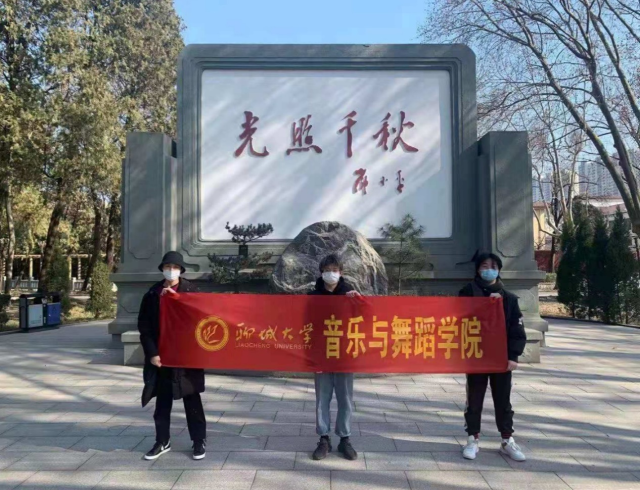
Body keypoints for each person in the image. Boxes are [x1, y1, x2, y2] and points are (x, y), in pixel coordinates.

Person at [138, 251, 207, 461]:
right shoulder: (152, 294)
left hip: (186, 357)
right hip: (162, 357)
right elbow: (145, 327)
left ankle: (198, 441)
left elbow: (201, 320)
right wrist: (152, 353)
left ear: (181, 270)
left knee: (192, 400)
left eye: (175, 267)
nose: (171, 270)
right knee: (162, 402)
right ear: (162, 269)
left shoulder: (191, 292)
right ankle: (162, 441)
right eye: (167, 266)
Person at [458, 251, 527, 462]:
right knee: (474, 399)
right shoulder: (467, 293)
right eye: (485, 266)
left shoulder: (509, 298)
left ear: (499, 270)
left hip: (501, 358)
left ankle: (507, 440)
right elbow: (457, 320)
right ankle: (472, 439)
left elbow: (517, 329)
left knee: (503, 400)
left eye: (494, 267)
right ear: (478, 269)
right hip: (476, 355)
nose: (489, 270)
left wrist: (513, 356)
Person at [308, 254, 361, 461]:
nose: (331, 273)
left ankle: (344, 438)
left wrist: (357, 302)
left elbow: (364, 320)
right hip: (321, 353)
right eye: (327, 270)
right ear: (321, 272)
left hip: (344, 353)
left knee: (345, 398)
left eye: (334, 270)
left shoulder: (350, 294)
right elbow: (305, 323)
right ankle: (324, 438)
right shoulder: (312, 296)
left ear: (341, 272)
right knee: (322, 398)